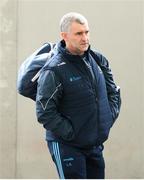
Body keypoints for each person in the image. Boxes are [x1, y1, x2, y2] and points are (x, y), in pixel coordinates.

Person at [36, 12, 121, 179]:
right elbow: (44, 112)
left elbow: (113, 92)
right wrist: (72, 133)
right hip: (67, 146)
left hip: (95, 144)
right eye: (79, 33)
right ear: (64, 36)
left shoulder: (98, 60)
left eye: (87, 32)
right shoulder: (53, 70)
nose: (85, 38)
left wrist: (107, 120)